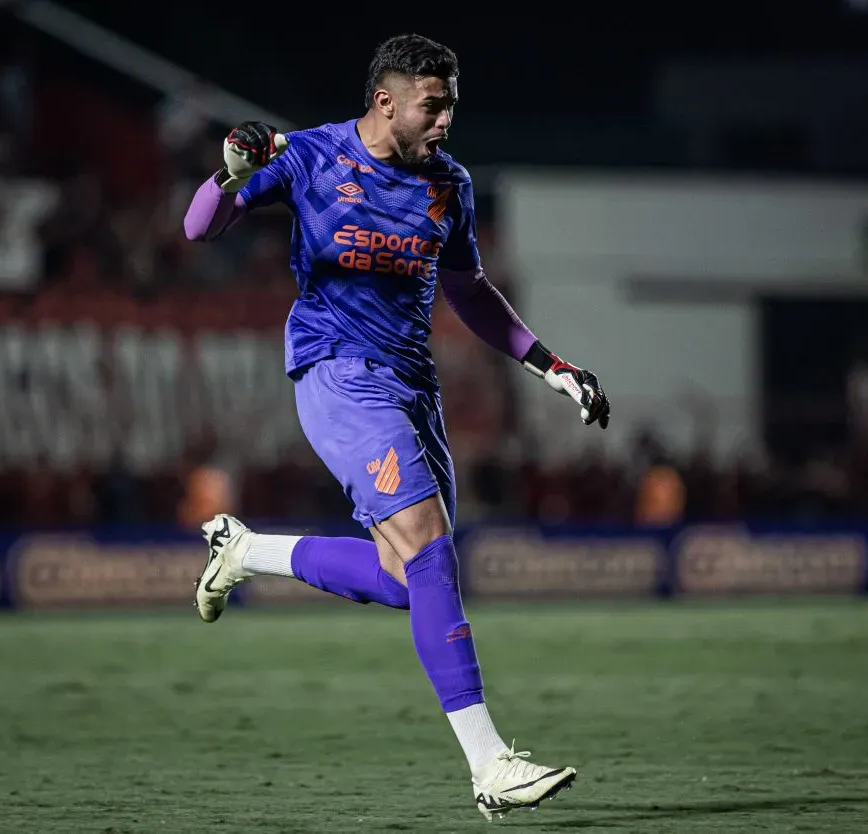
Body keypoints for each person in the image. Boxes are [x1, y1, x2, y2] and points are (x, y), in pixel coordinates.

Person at [182, 33, 610, 821]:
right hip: (338, 374)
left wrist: (552, 366)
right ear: (386, 101)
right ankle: (491, 764)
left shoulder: (449, 185)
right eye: (432, 105)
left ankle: (244, 551)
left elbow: (470, 291)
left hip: (413, 385)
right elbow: (197, 228)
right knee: (428, 546)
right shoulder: (309, 155)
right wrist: (228, 174)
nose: (446, 121)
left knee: (404, 576)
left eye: (451, 105)